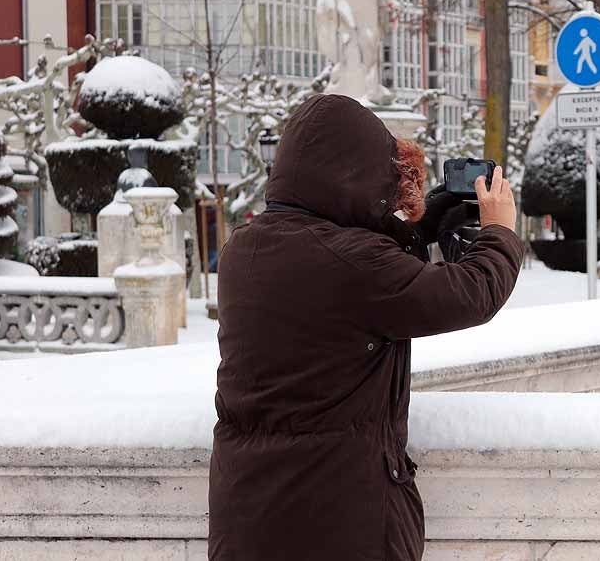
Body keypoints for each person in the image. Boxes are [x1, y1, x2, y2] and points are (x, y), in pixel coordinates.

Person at [208, 94, 523, 560]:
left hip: (246, 519)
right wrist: (499, 232)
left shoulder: (245, 248)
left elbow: (355, 279)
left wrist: (424, 222)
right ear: (354, 176)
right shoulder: (353, 264)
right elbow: (470, 293)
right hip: (340, 521)